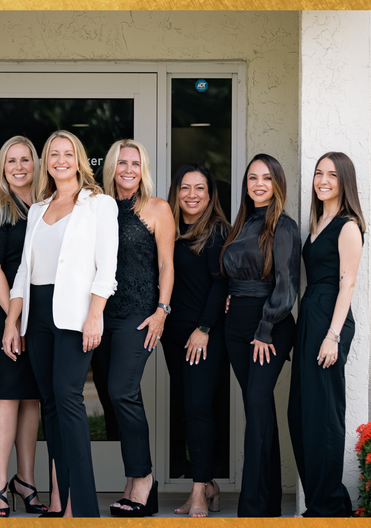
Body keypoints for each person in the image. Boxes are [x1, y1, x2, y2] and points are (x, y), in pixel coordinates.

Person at [2, 130, 118, 518]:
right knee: (50, 405)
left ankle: (82, 510)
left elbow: (107, 267)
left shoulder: (99, 205)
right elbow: (24, 270)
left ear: (79, 159)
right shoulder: (38, 208)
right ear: (47, 162)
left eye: (68, 153)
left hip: (74, 314)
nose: (61, 160)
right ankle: (62, 501)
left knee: (68, 402)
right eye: (54, 154)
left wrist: (95, 315)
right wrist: (12, 320)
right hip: (37, 315)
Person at [97, 139, 174, 518]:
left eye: (135, 163)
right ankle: (132, 480)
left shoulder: (157, 208)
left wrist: (162, 310)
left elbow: (166, 265)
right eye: (122, 162)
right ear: (112, 166)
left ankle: (143, 480)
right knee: (117, 396)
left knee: (121, 390)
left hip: (139, 313)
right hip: (99, 314)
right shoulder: (98, 207)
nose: (129, 169)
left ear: (143, 169)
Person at [220, 153, 300, 517]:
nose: (258, 184)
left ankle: (251, 509)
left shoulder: (283, 226)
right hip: (236, 326)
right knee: (260, 408)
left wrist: (266, 329)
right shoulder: (239, 225)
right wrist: (229, 299)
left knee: (256, 406)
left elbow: (286, 282)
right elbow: (229, 274)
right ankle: (267, 504)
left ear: (277, 184)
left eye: (266, 178)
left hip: (269, 326)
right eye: (253, 177)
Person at [287, 152, 365, 517]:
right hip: (311, 315)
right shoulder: (319, 221)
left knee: (323, 413)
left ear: (344, 181)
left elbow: (347, 283)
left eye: (332, 175)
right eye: (319, 173)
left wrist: (332, 335)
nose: (323, 180)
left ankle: (330, 506)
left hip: (328, 320)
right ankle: (321, 500)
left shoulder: (347, 225)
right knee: (300, 412)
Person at [0, 136, 47, 517]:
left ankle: (26, 480)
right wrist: (13, 319)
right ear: (3, 168)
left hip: (40, 318)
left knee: (31, 398)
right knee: (8, 393)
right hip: (9, 316)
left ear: (35, 165)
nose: (19, 166)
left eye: (25, 160)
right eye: (11, 161)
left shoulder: (44, 207)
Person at [162, 164, 229, 517]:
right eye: (185, 188)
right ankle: (204, 486)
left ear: (210, 194)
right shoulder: (170, 229)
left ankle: (200, 492)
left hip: (203, 336)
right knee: (189, 410)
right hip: (173, 336)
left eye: (199, 188)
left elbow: (221, 285)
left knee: (199, 409)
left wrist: (203, 329)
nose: (191, 195)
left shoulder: (217, 231)